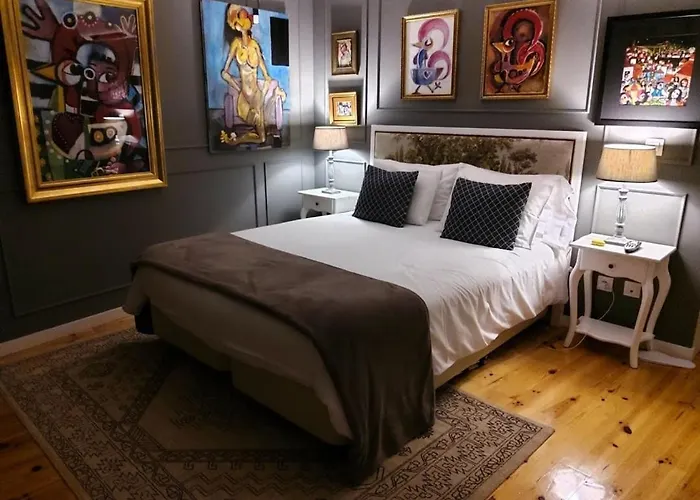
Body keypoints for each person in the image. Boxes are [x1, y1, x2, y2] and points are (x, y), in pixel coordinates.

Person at [220, 6, 285, 145]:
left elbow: (265, 73)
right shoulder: (236, 44)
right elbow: (224, 73)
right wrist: (238, 88)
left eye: (246, 17)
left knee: (262, 137)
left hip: (256, 95)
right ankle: (236, 141)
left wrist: (268, 83)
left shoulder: (255, 45)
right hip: (244, 97)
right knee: (258, 129)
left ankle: (235, 141)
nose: (244, 21)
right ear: (235, 23)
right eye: (241, 17)